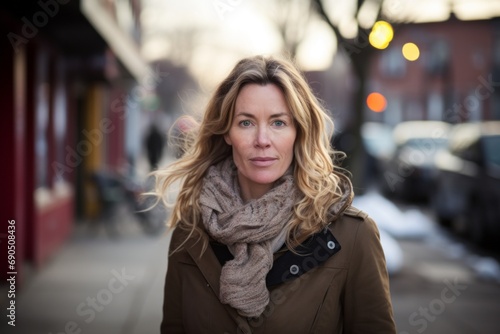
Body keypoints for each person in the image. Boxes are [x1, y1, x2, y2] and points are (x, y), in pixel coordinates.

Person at [153, 55, 396, 333]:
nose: (262, 140)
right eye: (246, 123)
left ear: (298, 131)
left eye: (278, 123)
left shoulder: (351, 236)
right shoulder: (191, 232)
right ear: (226, 132)